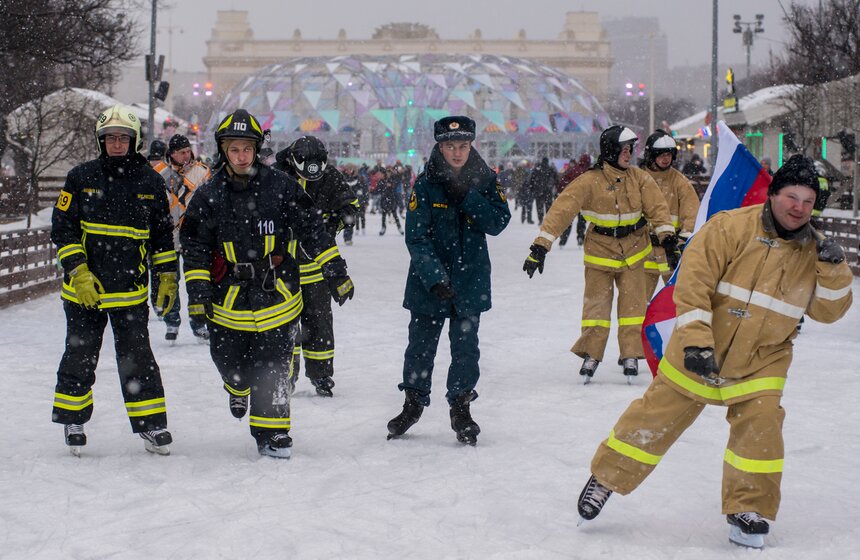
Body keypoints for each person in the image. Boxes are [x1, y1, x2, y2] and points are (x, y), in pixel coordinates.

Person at [575, 154, 853, 549]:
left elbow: (829, 312)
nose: (799, 208)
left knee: (761, 431)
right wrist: (695, 341)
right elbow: (693, 287)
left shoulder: (817, 251)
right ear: (773, 194)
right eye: (792, 197)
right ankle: (606, 478)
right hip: (701, 347)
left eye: (808, 202)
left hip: (762, 361)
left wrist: (835, 270)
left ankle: (749, 509)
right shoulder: (729, 227)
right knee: (654, 418)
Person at [181, 110, 354, 458]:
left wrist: (335, 271)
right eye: (234, 149)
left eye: (247, 149)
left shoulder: (281, 187)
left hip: (277, 295)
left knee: (274, 369)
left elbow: (313, 230)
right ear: (223, 150)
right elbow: (195, 246)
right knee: (231, 365)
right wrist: (198, 294)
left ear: (257, 149)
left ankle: (273, 433)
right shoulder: (209, 194)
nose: (241, 156)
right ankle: (236, 387)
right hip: (228, 300)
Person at [51, 105, 178, 456]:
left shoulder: (151, 182)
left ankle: (151, 425)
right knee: (79, 356)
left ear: (134, 141)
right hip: (84, 293)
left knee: (138, 360)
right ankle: (73, 421)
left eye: (123, 138)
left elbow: (162, 238)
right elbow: (62, 229)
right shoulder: (80, 178)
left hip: (130, 293)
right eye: (110, 138)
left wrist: (167, 276)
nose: (117, 144)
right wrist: (79, 271)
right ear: (101, 141)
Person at [386, 116, 511, 446]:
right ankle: (413, 404)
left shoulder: (485, 180)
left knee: (466, 350)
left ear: (471, 146)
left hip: (470, 281)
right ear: (440, 147)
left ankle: (461, 408)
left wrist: (468, 196)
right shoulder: (425, 184)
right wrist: (435, 278)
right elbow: (417, 237)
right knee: (420, 348)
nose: (457, 153)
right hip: (429, 286)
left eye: (463, 146)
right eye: (450, 146)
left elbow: (498, 222)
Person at [522, 125, 675, 381]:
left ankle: (631, 353)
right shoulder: (589, 181)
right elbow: (561, 211)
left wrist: (667, 239)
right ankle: (592, 353)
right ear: (611, 150)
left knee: (633, 308)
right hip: (600, 253)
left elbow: (658, 209)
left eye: (631, 150)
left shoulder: (640, 178)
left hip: (634, 252)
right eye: (624, 150)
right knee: (597, 308)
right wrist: (541, 246)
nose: (629, 155)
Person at [274, 136, 359, 397]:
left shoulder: (330, 177)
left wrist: (338, 220)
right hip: (281, 271)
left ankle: (321, 374)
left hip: (316, 268)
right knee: (283, 327)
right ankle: (285, 376)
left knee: (319, 324)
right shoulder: (276, 177)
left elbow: (351, 205)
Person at [150, 133, 212, 342]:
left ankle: (199, 323)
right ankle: (171, 321)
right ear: (172, 154)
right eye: (181, 152)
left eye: (188, 151)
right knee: (169, 278)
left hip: (195, 234)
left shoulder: (202, 171)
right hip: (168, 234)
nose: (186, 155)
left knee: (197, 279)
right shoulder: (159, 173)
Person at [641, 130, 700, 297]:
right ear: (651, 155)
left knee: (678, 301)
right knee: (637, 305)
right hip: (642, 251)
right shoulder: (638, 179)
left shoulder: (680, 183)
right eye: (660, 154)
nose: (665, 158)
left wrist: (680, 245)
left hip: (670, 253)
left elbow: (691, 216)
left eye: (668, 154)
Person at [526, 156, 559, 224]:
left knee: (539, 206)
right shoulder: (551, 169)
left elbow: (531, 180)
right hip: (548, 191)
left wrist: (532, 189)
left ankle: (540, 219)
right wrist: (556, 187)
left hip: (538, 191)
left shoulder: (537, 169)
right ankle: (548, 220)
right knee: (548, 206)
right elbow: (556, 180)